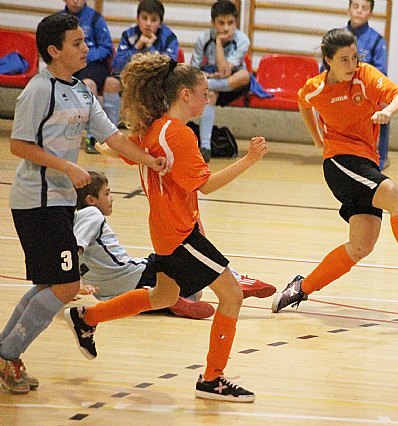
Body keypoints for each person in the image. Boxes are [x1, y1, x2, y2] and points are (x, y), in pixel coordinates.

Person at [64, 52, 268, 402]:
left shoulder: (153, 129)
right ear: (185, 94)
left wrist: (107, 148)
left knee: (163, 296)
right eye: (204, 92)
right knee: (232, 295)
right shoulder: (179, 136)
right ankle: (213, 379)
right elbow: (205, 185)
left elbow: (115, 149)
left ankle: (88, 317)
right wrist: (248, 160)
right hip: (179, 235)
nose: (209, 98)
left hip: (163, 232)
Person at [0, 13, 166, 394]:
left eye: (84, 42)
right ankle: (9, 354)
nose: (85, 48)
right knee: (66, 285)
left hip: (59, 202)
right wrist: (67, 166)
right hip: (36, 201)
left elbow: (112, 137)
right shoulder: (38, 90)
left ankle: (5, 350)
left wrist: (149, 159)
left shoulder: (81, 90)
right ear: (53, 51)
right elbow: (18, 144)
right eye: (76, 44)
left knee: (49, 284)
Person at [271, 28, 398, 314]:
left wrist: (388, 111)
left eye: (354, 58)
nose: (352, 66)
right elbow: (303, 101)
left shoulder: (366, 76)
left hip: (365, 163)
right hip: (340, 162)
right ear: (328, 60)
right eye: (344, 60)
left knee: (360, 246)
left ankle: (301, 288)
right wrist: (316, 137)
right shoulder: (317, 87)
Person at [74, 170, 276, 320]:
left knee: (190, 292)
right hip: (134, 274)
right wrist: (75, 283)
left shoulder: (71, 221)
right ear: (91, 200)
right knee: (188, 251)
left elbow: (63, 253)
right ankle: (237, 280)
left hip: (107, 294)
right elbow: (76, 249)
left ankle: (173, 302)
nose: (112, 198)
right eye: (107, 193)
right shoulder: (91, 213)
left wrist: (63, 286)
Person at [102, 0, 179, 129]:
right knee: (110, 83)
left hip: (157, 82)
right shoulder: (129, 35)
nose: (148, 23)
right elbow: (116, 66)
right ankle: (111, 130)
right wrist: (137, 46)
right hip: (131, 78)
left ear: (160, 23)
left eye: (153, 20)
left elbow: (170, 66)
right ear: (138, 19)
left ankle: (155, 132)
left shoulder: (169, 37)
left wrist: (150, 47)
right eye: (144, 18)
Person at [191, 0, 250, 162]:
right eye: (221, 23)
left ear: (236, 22)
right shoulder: (203, 38)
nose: (226, 28)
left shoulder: (243, 40)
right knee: (209, 94)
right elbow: (193, 69)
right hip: (211, 81)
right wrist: (206, 76)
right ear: (212, 23)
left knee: (245, 75)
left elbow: (225, 71)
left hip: (233, 84)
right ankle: (205, 147)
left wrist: (218, 43)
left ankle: (206, 86)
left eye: (231, 23)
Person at [60, 0, 113, 154]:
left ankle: (93, 137)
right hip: (68, 64)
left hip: (92, 64)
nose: (76, 0)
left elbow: (106, 47)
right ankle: (60, 134)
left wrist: (84, 56)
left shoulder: (95, 18)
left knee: (88, 85)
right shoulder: (57, 21)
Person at [346, 0, 390, 170]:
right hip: (341, 89)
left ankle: (381, 156)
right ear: (349, 9)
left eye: (364, 8)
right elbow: (326, 67)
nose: (359, 11)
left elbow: (380, 72)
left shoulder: (377, 40)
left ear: (370, 13)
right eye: (355, 7)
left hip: (366, 91)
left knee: (385, 107)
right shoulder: (338, 36)